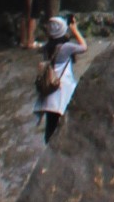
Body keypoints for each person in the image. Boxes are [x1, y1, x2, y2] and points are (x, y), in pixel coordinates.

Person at [34, 13, 85, 142]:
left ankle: (48, 149)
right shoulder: (66, 47)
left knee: (50, 126)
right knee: (61, 122)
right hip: (62, 89)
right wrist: (75, 30)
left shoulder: (47, 47)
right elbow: (84, 47)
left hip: (49, 89)